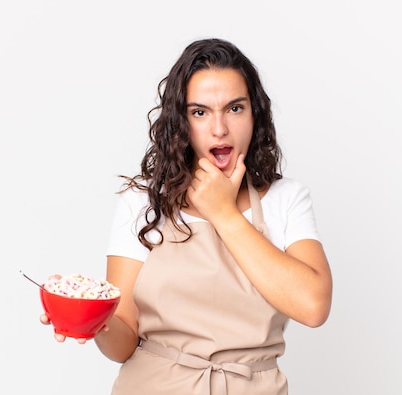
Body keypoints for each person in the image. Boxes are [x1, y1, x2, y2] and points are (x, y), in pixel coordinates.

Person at [40, 37, 332, 394]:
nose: (219, 128)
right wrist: (95, 320)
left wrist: (223, 213)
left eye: (235, 109)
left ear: (255, 114)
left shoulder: (286, 199)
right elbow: (124, 342)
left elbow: (313, 306)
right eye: (200, 112)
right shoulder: (142, 202)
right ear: (181, 121)